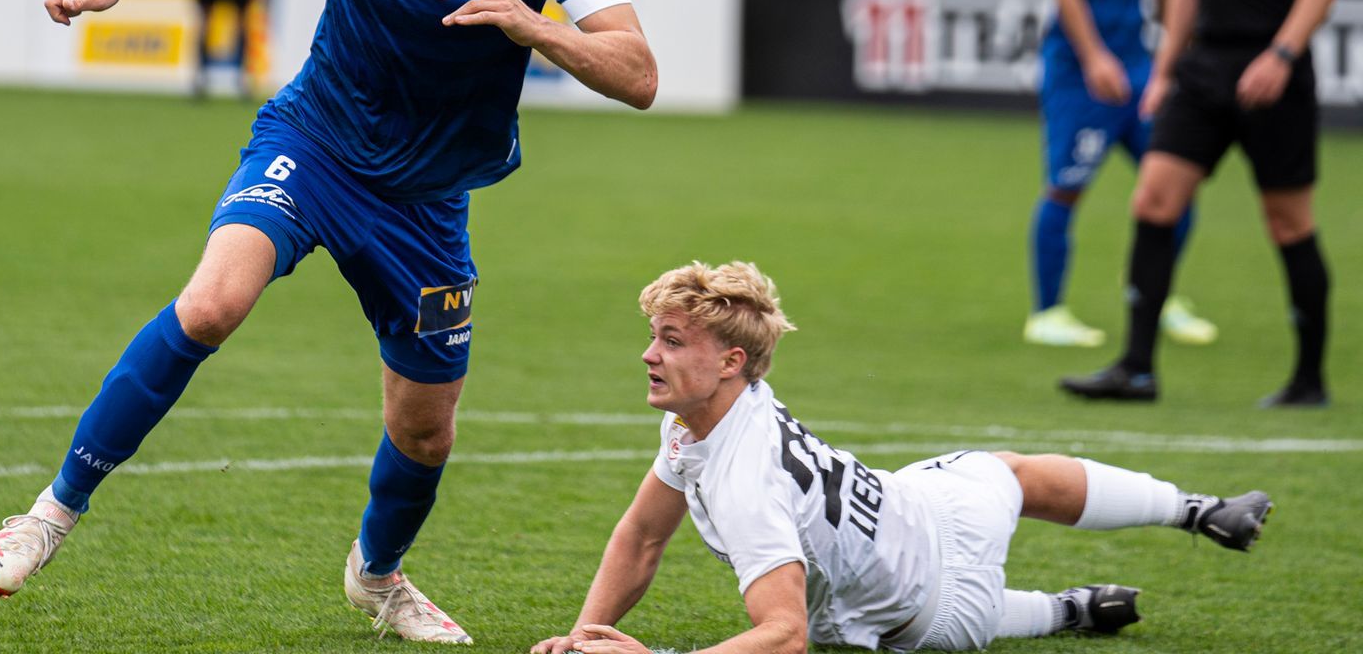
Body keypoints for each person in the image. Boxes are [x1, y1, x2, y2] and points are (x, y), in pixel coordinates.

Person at [0, 0, 659, 643]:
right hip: (316, 144)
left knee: (425, 429)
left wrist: (531, 24)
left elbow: (638, 75)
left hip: (425, 201)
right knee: (212, 303)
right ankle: (46, 517)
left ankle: (377, 577)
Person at [533, 261, 1272, 654]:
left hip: (933, 582)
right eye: (655, 336)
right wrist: (582, 638)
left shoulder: (744, 482)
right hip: (911, 550)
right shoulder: (711, 411)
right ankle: (1185, 522)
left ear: (731, 362)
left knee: (998, 485)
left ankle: (1080, 601)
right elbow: (641, 535)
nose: (649, 354)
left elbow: (784, 637)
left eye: (670, 340)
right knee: (1008, 472)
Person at [1062, 0, 1352, 407]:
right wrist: (1165, 69)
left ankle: (1309, 380)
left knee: (1288, 222)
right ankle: (1137, 368)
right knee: (1153, 201)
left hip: (1273, 74)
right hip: (1204, 71)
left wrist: (1281, 55)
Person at [1025, 0, 1215, 349]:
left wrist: (1177, 58)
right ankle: (1047, 312)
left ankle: (1159, 297)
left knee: (1175, 183)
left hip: (1139, 69)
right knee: (1065, 188)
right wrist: (1094, 58)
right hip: (1079, 71)